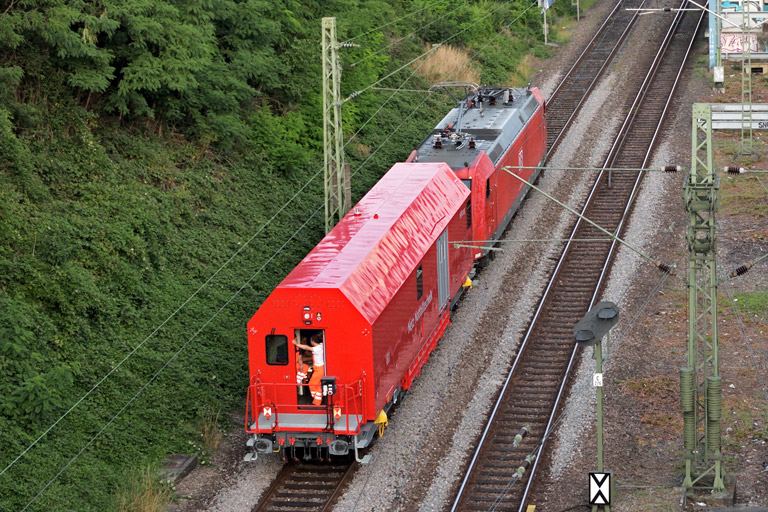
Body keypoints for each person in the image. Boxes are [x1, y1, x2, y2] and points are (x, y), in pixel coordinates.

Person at [293, 334, 325, 405]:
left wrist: (297, 344)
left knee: (312, 384)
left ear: (312, 341)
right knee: (315, 384)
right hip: (319, 369)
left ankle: (317, 401)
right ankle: (317, 400)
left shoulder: (317, 349)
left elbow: (307, 348)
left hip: (319, 369)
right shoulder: (321, 345)